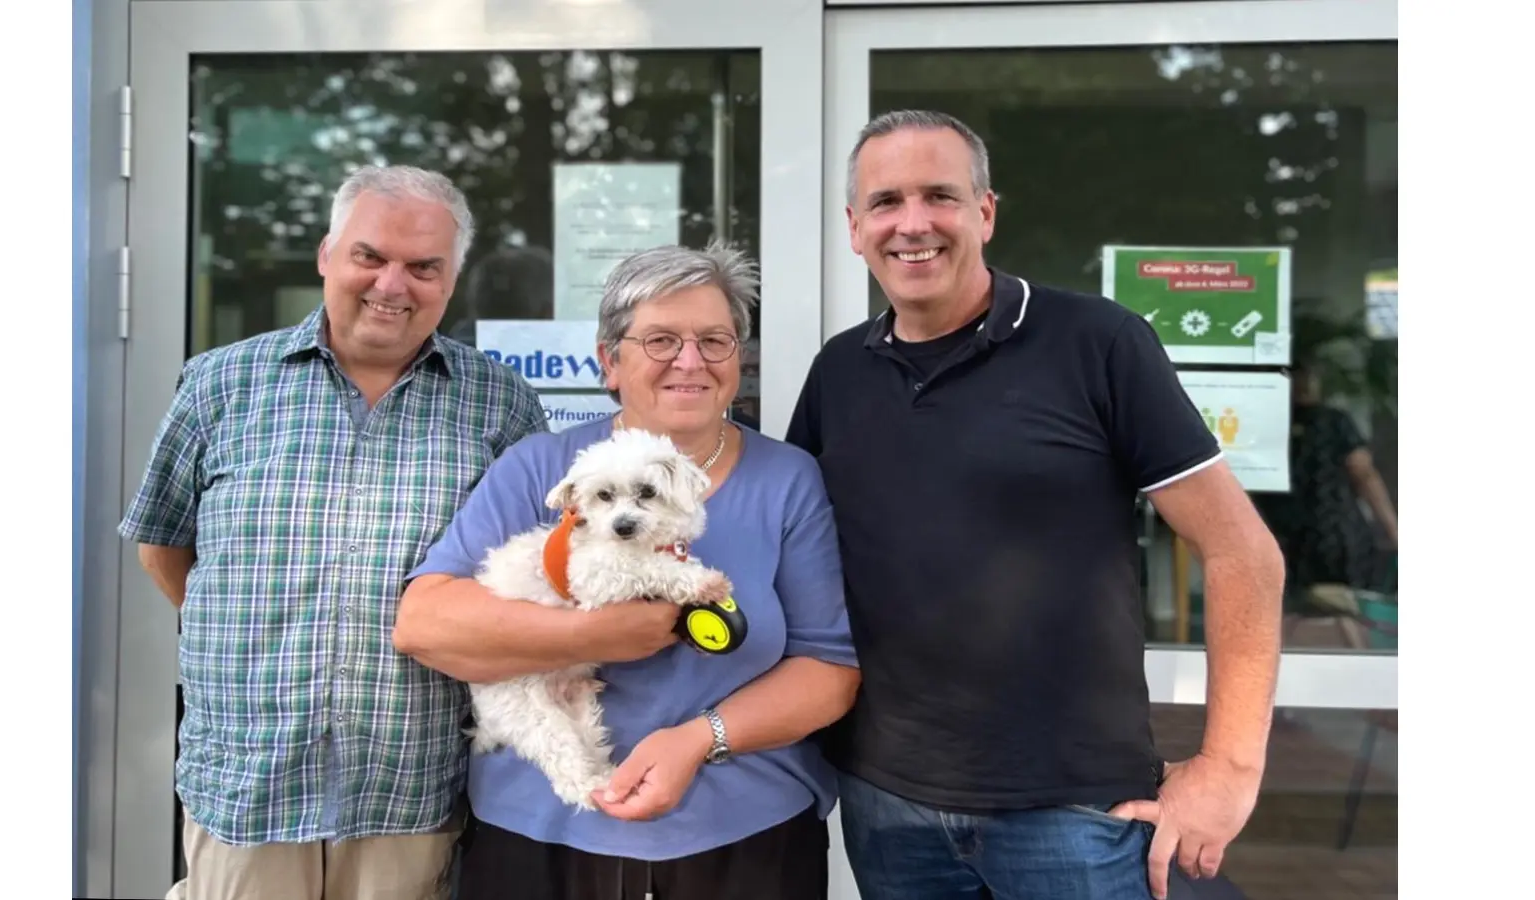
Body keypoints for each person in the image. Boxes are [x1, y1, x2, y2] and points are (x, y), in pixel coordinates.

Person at [786, 109, 1286, 900]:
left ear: (985, 212)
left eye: (939, 196)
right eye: (886, 202)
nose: (912, 224)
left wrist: (1229, 765)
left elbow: (1241, 553)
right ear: (855, 228)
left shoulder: (1097, 342)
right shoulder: (838, 372)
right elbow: (800, 558)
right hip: (888, 805)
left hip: (1075, 810)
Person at [118, 164, 549, 900]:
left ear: (451, 280)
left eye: (423, 267)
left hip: (409, 790)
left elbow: (527, 576)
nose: (392, 284)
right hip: (248, 783)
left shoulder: (499, 405)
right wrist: (239, 637)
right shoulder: (221, 384)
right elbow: (163, 541)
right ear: (327, 255)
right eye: (369, 256)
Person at [392, 242, 860, 900]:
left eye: (714, 340)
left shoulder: (786, 480)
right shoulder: (544, 467)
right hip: (541, 833)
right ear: (609, 361)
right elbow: (425, 623)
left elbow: (829, 670)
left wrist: (699, 740)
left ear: (739, 359)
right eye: (661, 340)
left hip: (747, 836)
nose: (690, 361)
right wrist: (593, 636)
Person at [1256, 355, 1398, 645]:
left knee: (1289, 613)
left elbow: (1364, 473)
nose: (1306, 383)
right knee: (1344, 612)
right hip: (1324, 539)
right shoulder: (1327, 422)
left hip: (1296, 537)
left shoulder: (1270, 424)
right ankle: (1356, 660)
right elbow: (1364, 474)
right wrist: (1393, 530)